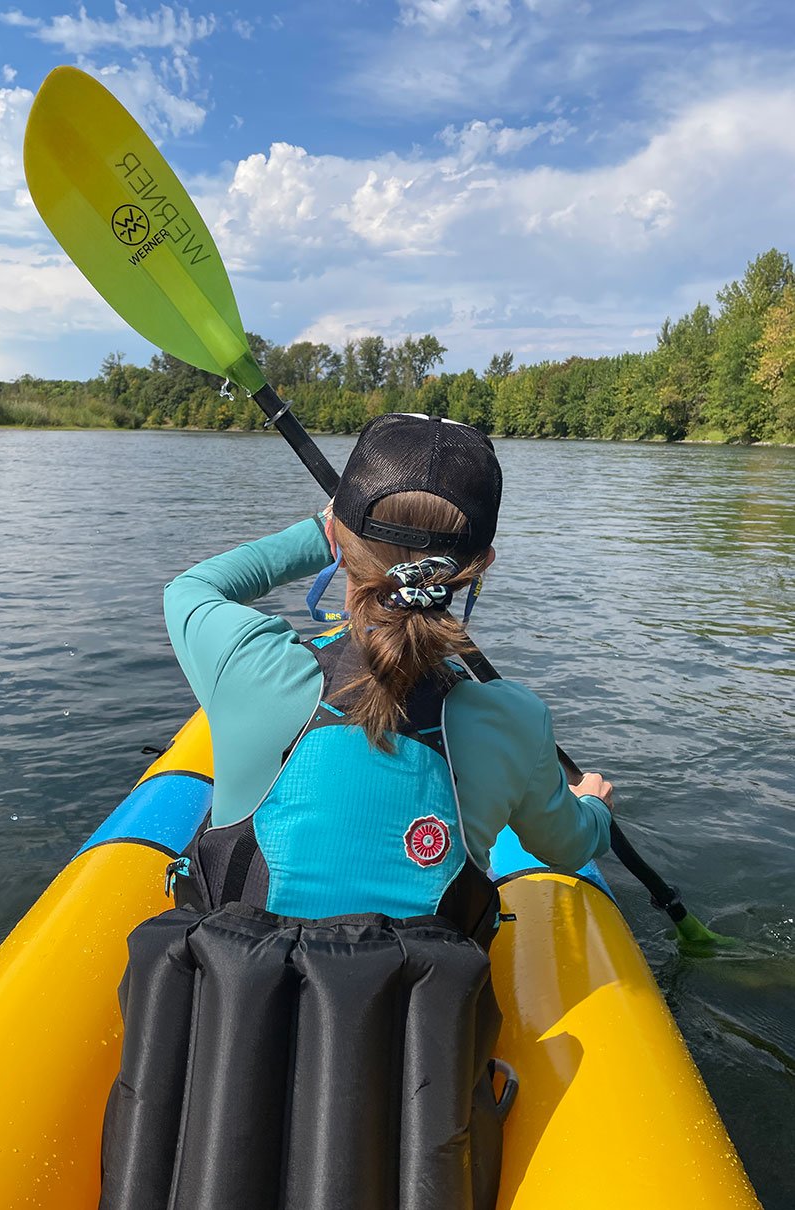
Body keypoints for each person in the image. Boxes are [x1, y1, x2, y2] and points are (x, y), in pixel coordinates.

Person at [99, 414, 613, 1210]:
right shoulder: (513, 722)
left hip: (225, 1054)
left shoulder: (250, 668)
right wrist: (595, 812)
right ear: (482, 565)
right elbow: (563, 844)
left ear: (337, 537)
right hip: (405, 1082)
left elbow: (193, 587)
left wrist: (321, 530)